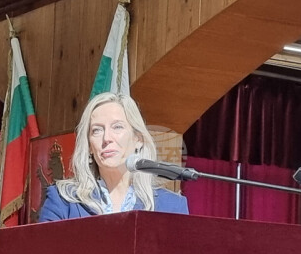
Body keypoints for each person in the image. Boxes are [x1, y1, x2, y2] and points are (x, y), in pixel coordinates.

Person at [38, 92, 189, 221]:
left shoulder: (172, 207)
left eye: (117, 127)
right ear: (89, 146)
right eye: (97, 130)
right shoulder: (63, 200)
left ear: (138, 139)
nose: (107, 138)